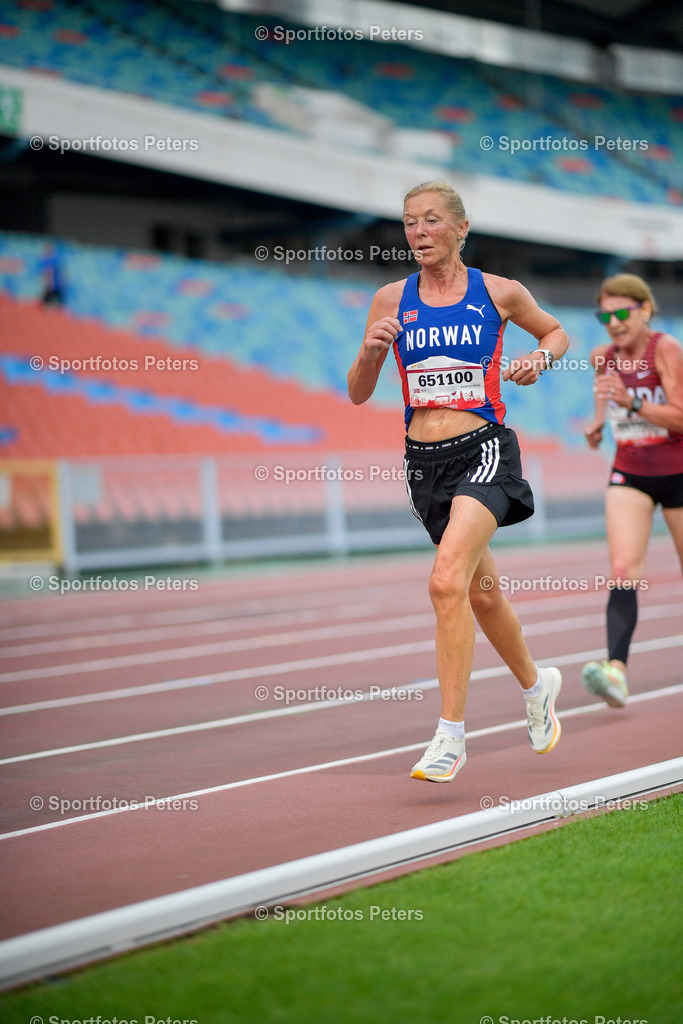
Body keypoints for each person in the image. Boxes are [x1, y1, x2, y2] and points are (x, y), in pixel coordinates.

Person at [347, 180, 569, 783]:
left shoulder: (499, 292)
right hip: (424, 465)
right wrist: (369, 353)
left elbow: (555, 333)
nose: (418, 233)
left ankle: (450, 737)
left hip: (484, 450)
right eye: (409, 223)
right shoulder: (390, 299)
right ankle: (536, 685)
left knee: (445, 582)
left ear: (461, 228)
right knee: (481, 593)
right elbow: (359, 391)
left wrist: (538, 360)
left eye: (431, 221)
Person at [582, 273, 683, 707]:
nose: (614, 323)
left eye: (622, 312)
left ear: (644, 309)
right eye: (605, 315)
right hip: (630, 471)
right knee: (623, 570)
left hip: (678, 470)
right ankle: (617, 673)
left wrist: (634, 403)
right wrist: (598, 422)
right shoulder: (601, 357)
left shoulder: (667, 348)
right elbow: (606, 396)